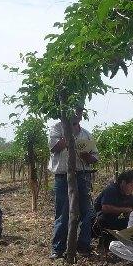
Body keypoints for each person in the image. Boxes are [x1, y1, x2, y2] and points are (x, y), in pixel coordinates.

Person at [48, 107, 99, 258]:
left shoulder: (87, 134)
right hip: (63, 177)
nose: (76, 115)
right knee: (63, 213)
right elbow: (54, 147)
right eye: (73, 112)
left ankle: (83, 246)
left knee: (86, 212)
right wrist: (69, 137)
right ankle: (58, 249)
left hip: (83, 176)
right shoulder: (56, 129)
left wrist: (86, 156)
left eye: (79, 112)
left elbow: (95, 158)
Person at [93, 170, 133, 245]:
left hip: (112, 222)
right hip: (96, 223)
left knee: (130, 222)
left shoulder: (128, 195)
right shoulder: (111, 189)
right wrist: (126, 210)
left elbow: (129, 212)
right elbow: (105, 208)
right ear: (123, 182)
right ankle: (105, 241)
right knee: (106, 219)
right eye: (131, 186)